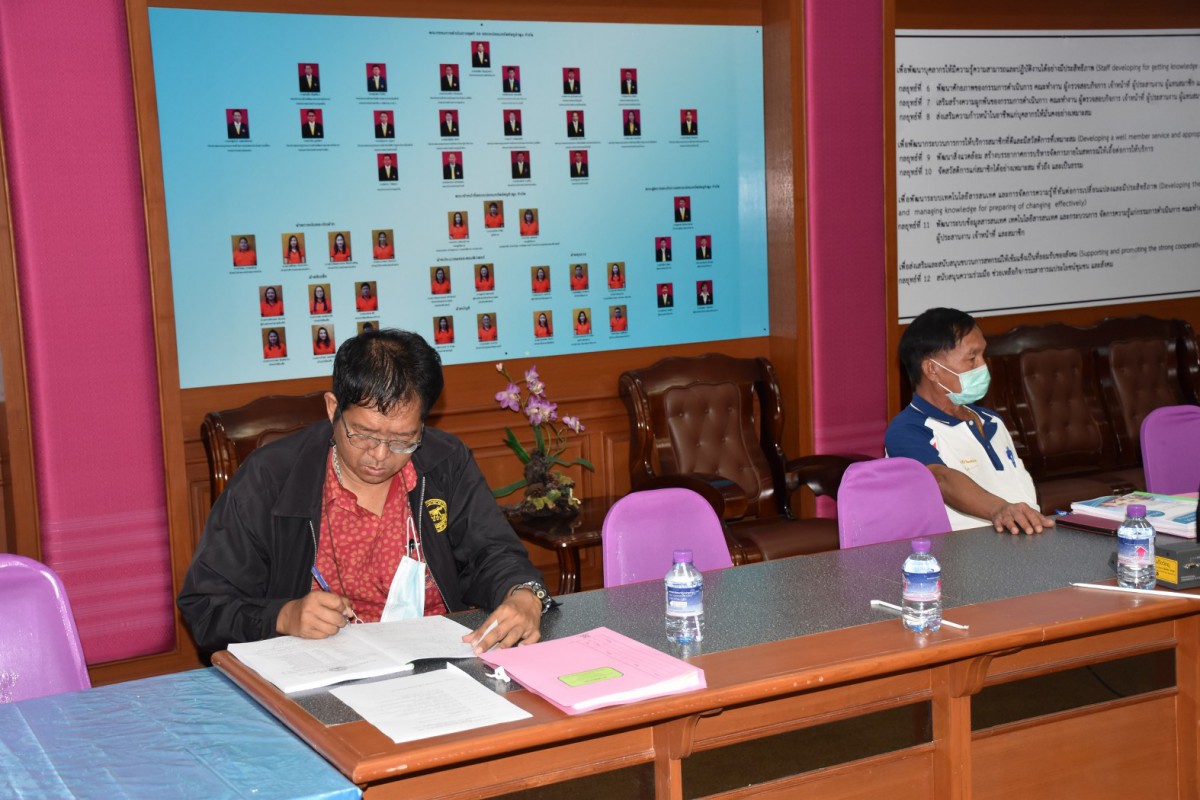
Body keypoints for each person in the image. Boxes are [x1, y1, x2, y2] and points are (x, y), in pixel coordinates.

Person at [178, 328, 549, 655]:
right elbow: (206, 606)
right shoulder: (269, 478)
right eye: (364, 434)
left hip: (438, 662)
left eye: (403, 439)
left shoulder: (444, 462)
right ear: (333, 409)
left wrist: (524, 594)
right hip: (318, 670)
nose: (381, 455)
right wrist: (283, 616)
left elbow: (494, 553)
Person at [884, 307, 1054, 534]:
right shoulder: (907, 429)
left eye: (983, 355)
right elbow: (940, 479)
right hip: (958, 549)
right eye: (972, 358)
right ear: (932, 369)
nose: (983, 366)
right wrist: (1000, 510)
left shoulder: (992, 421)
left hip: (1024, 539)